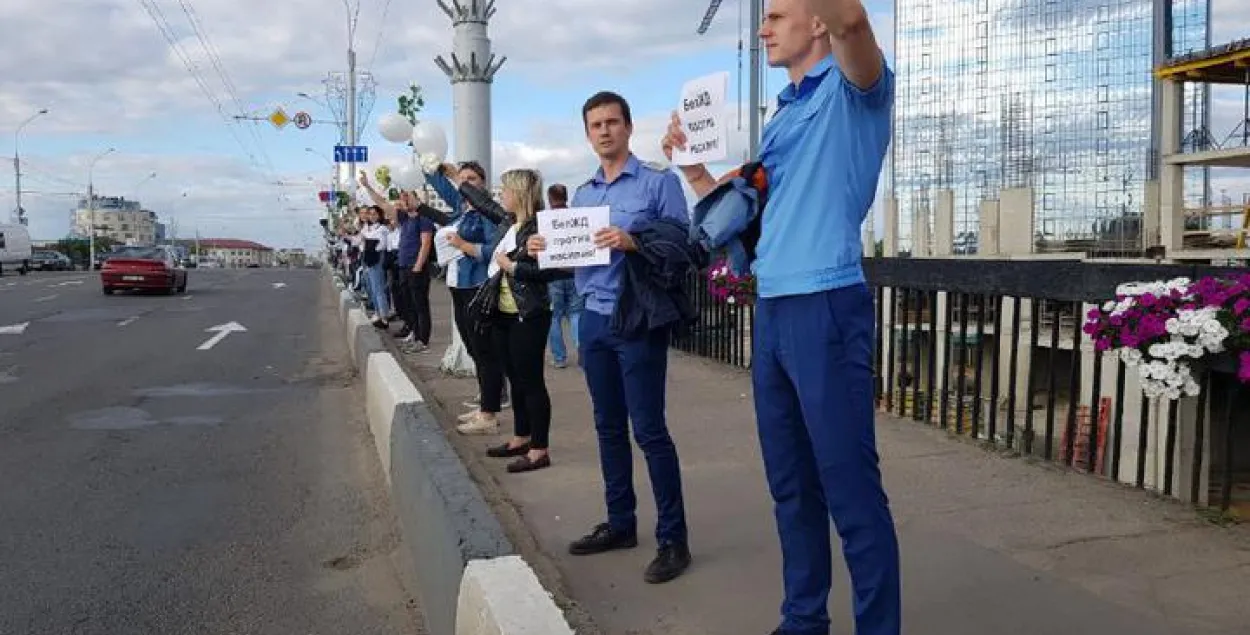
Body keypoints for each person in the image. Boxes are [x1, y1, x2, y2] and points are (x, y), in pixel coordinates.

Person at [662, 0, 900, 633]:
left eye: (777, 15)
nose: (763, 27)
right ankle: (803, 620)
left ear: (816, 21)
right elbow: (755, 216)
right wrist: (691, 166)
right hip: (773, 308)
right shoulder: (784, 112)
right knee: (791, 484)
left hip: (826, 302)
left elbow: (854, 25)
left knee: (849, 489)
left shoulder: (857, 90)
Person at [527, 91, 694, 585]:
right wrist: (542, 247)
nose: (604, 130)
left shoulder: (658, 184)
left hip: (637, 319)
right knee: (606, 428)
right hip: (593, 320)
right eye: (595, 124)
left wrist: (633, 241)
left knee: (649, 430)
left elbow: (681, 246)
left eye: (612, 122)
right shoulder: (582, 196)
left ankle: (673, 539)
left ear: (628, 127)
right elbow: (570, 256)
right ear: (587, 133)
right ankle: (621, 522)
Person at [456, 169, 570, 472]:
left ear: (519, 193)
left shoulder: (540, 226)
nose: (500, 195)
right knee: (515, 378)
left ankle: (539, 449)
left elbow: (558, 271)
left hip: (528, 313)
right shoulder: (509, 221)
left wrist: (515, 268)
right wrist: (456, 179)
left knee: (531, 381)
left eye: (505, 190)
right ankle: (521, 437)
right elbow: (483, 204)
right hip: (503, 312)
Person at [425, 161, 510, 426]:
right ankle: (486, 402)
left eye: (471, 179)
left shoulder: (487, 215)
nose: (465, 184)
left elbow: (491, 250)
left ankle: (490, 411)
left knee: (485, 351)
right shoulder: (461, 210)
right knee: (474, 350)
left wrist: (463, 245)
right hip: (457, 286)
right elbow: (444, 189)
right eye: (462, 179)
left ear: (482, 184)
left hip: (476, 285)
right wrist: (429, 167)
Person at [544, 183, 584, 368]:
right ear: (566, 197)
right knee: (576, 315)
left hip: (553, 275)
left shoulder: (546, 220)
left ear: (550, 198)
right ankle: (583, 353)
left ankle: (559, 358)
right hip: (575, 274)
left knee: (555, 318)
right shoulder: (576, 218)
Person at [358, 205, 392, 329]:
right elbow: (359, 240)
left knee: (379, 289)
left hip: (377, 258)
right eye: (370, 214)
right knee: (373, 288)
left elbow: (381, 244)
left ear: (379, 215)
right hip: (369, 258)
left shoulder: (382, 228)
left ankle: (384, 317)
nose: (372, 216)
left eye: (374, 214)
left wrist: (368, 241)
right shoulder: (368, 228)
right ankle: (378, 313)